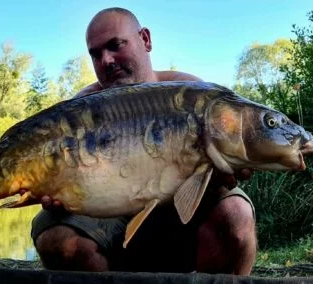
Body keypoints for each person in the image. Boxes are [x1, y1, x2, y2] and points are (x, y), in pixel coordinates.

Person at [30, 7, 257, 275]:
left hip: (176, 211)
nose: (106, 60)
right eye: (96, 53)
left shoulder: (192, 93)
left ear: (145, 40)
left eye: (115, 45)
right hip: (110, 211)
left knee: (235, 216)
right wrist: (55, 189)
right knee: (55, 235)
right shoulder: (82, 108)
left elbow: (236, 156)